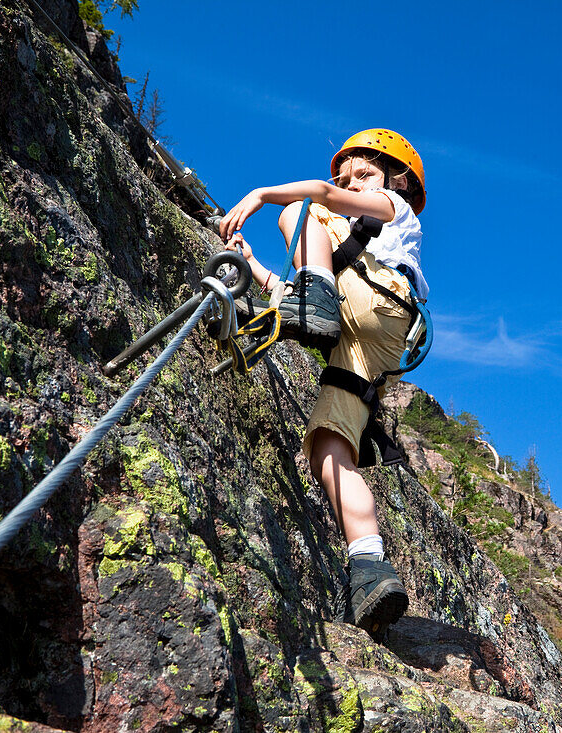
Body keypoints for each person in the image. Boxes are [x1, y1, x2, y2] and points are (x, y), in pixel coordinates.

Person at [218, 129, 428, 633]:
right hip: (374, 335)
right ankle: (370, 567)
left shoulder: (392, 207)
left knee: (301, 210)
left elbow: (323, 194)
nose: (354, 184)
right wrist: (254, 268)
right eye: (349, 175)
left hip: (374, 301)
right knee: (329, 448)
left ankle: (313, 299)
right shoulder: (346, 249)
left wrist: (263, 195)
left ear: (396, 180)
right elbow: (306, 291)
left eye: (366, 174)